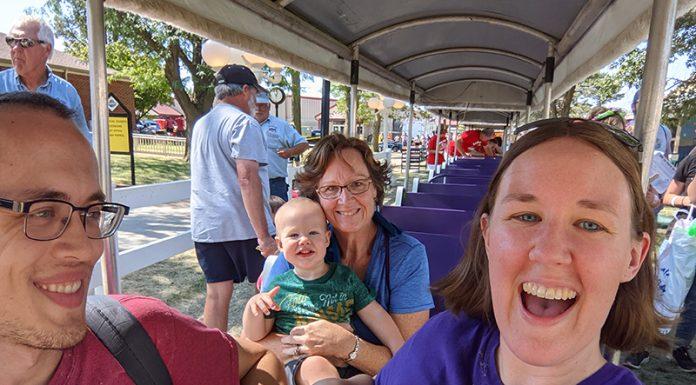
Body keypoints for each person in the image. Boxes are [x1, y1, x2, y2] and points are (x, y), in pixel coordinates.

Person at [0, 91, 286, 385]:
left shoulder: (141, 337)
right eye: (43, 213)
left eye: (93, 213)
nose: (89, 249)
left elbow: (259, 359)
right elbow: (247, 176)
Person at [371, 118, 669, 384]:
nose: (549, 252)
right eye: (527, 216)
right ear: (487, 235)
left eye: (590, 225)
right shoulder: (442, 345)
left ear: (633, 258)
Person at [258, 134, 433, 377]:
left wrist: (345, 346)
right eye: (330, 189)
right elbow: (258, 342)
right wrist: (317, 350)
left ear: (375, 188)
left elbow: (408, 363)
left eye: (357, 184)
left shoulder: (407, 255)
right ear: (316, 196)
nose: (345, 199)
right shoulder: (301, 246)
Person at [244, 198, 404, 385]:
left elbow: (375, 314)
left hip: (341, 360)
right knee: (316, 365)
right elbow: (255, 336)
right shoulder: (279, 287)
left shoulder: (345, 278)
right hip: (297, 364)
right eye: (294, 235)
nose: (304, 240)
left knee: (344, 374)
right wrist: (253, 308)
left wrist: (399, 349)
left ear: (327, 238)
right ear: (280, 245)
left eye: (313, 233)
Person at [191, 64, 277, 332]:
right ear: (245, 90)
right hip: (244, 224)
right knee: (264, 291)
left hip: (208, 225)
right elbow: (247, 178)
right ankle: (259, 351)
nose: (255, 102)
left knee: (216, 296)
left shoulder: (201, 124)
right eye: (255, 95)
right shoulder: (243, 122)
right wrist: (264, 236)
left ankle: (214, 359)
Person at [622, 148, 696, 372]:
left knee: (694, 297)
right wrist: (689, 199)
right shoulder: (693, 158)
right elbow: (667, 196)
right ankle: (642, 345)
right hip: (685, 235)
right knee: (664, 290)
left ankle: (680, 347)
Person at [0, 16, 90, 143]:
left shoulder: (67, 93)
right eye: (11, 41)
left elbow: (83, 142)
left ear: (46, 49)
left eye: (25, 42)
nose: (15, 48)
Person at [256, 91, 309, 201]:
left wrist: (290, 152)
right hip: (249, 182)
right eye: (255, 105)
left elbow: (303, 144)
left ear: (269, 106)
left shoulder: (281, 125)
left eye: (262, 105)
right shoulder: (244, 124)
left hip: (275, 184)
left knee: (279, 217)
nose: (258, 109)